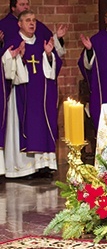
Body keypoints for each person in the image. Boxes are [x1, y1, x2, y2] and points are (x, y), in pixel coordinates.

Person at [2, 10, 62, 178]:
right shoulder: (13, 43)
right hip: (22, 95)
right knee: (23, 126)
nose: (32, 23)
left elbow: (52, 70)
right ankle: (24, 168)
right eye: (27, 20)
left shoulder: (41, 43)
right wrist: (17, 58)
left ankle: (43, 166)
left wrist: (49, 55)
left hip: (41, 95)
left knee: (42, 126)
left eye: (34, 20)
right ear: (19, 24)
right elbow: (6, 70)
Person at [0, 0, 67, 57]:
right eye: (22, 4)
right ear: (13, 8)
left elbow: (49, 43)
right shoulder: (3, 25)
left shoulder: (37, 25)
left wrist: (57, 37)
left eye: (27, 4)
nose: (26, 7)